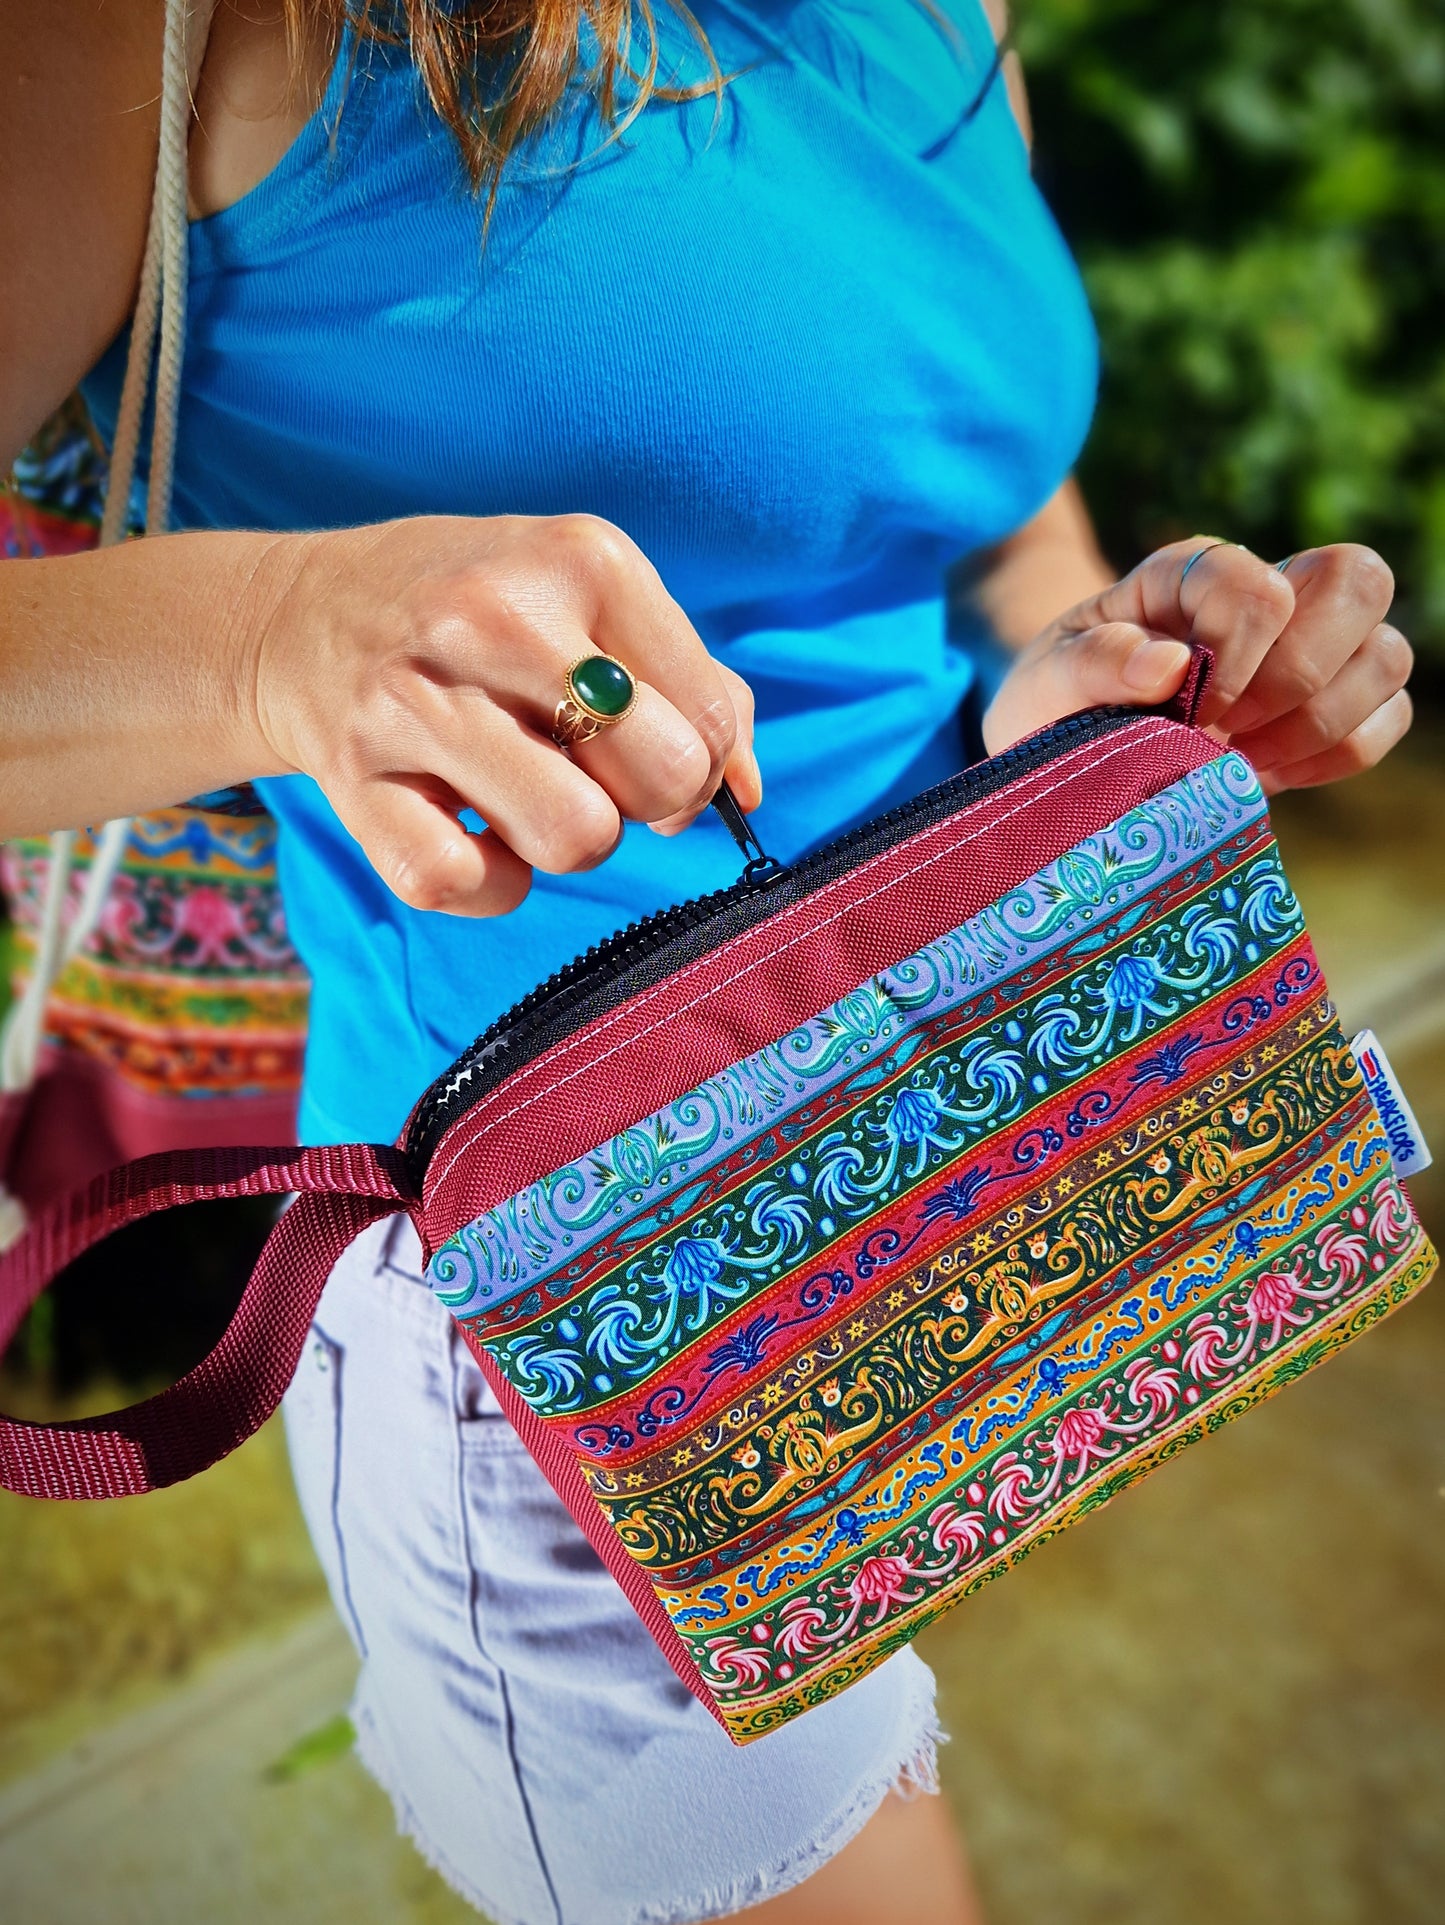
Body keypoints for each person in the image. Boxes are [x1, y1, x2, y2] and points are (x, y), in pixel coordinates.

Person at [0, 4, 1414, 1922]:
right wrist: (285, 641)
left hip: (988, 1145)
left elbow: (982, 529)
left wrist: (1106, 696)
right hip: (598, 1324)